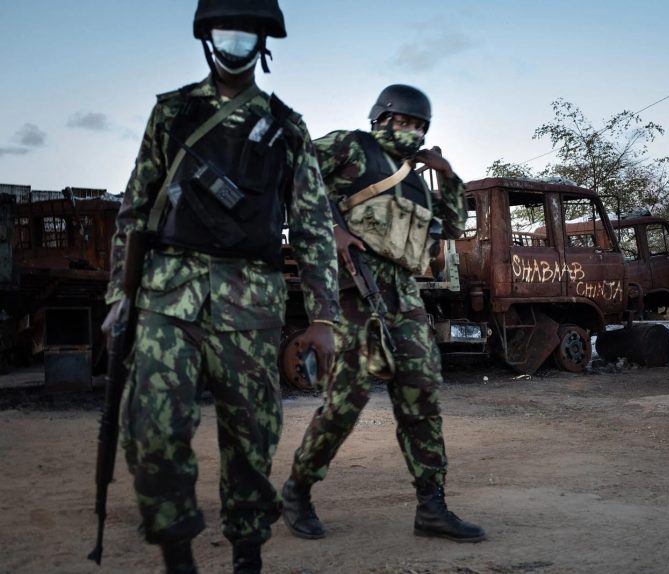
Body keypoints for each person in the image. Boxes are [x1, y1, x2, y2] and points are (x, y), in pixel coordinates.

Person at [101, 1, 340, 572]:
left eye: (247, 33)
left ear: (264, 42)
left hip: (249, 305)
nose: (236, 43)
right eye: (226, 31)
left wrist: (323, 317)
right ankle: (178, 559)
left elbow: (311, 225)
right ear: (208, 38)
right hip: (166, 298)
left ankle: (247, 559)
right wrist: (120, 296)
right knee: (153, 432)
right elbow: (134, 211)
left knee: (251, 445)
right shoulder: (173, 114)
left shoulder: (286, 128)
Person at [281, 84, 486, 543]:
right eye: (403, 121)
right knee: (345, 402)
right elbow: (295, 173)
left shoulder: (416, 181)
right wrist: (331, 228)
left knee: (422, 395)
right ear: (381, 119)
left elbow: (453, 225)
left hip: (402, 294)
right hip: (352, 288)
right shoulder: (351, 145)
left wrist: (447, 174)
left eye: (418, 126)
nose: (410, 132)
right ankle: (297, 490)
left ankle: (432, 506)